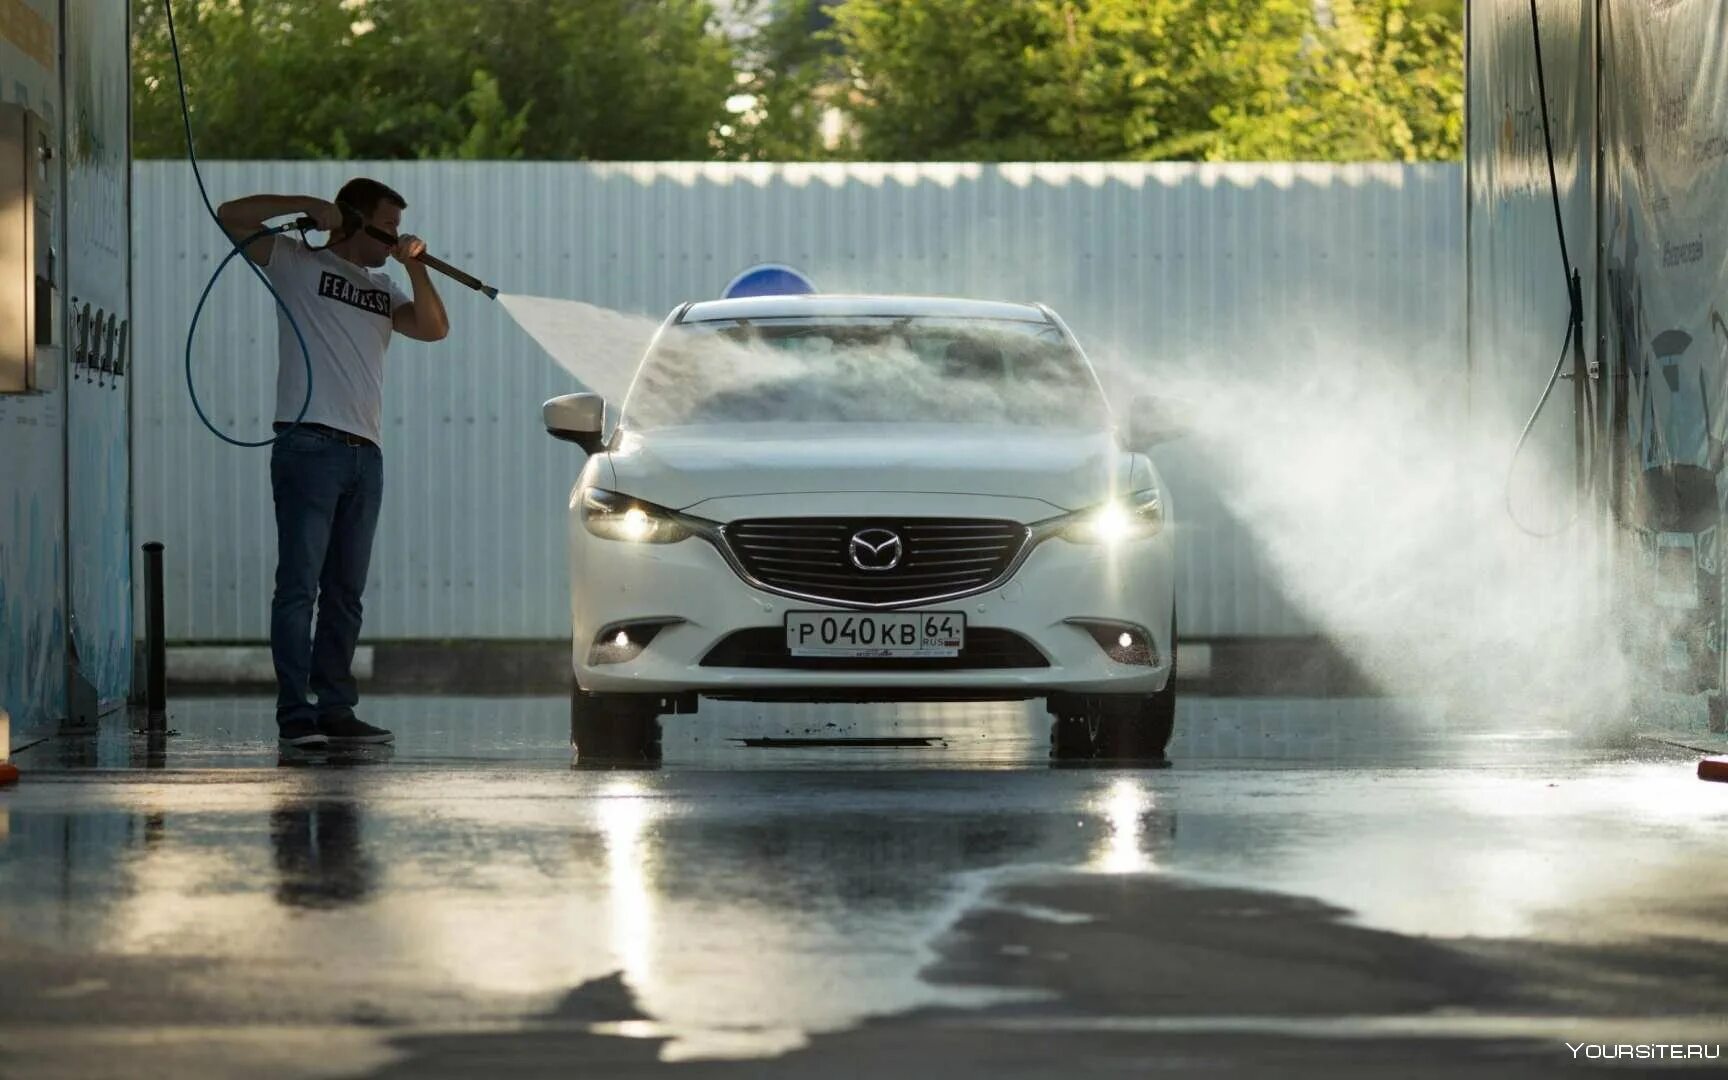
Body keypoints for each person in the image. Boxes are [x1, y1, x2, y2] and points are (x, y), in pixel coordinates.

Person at [217, 178, 450, 748]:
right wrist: (304, 207)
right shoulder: (296, 260)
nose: (394, 235)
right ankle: (296, 715)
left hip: (363, 453)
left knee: (345, 592)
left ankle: (336, 709)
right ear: (356, 219)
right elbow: (231, 215)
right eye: (388, 225)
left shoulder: (383, 285)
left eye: (398, 227)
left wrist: (416, 265)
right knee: (299, 587)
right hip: (309, 444)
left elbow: (434, 328)